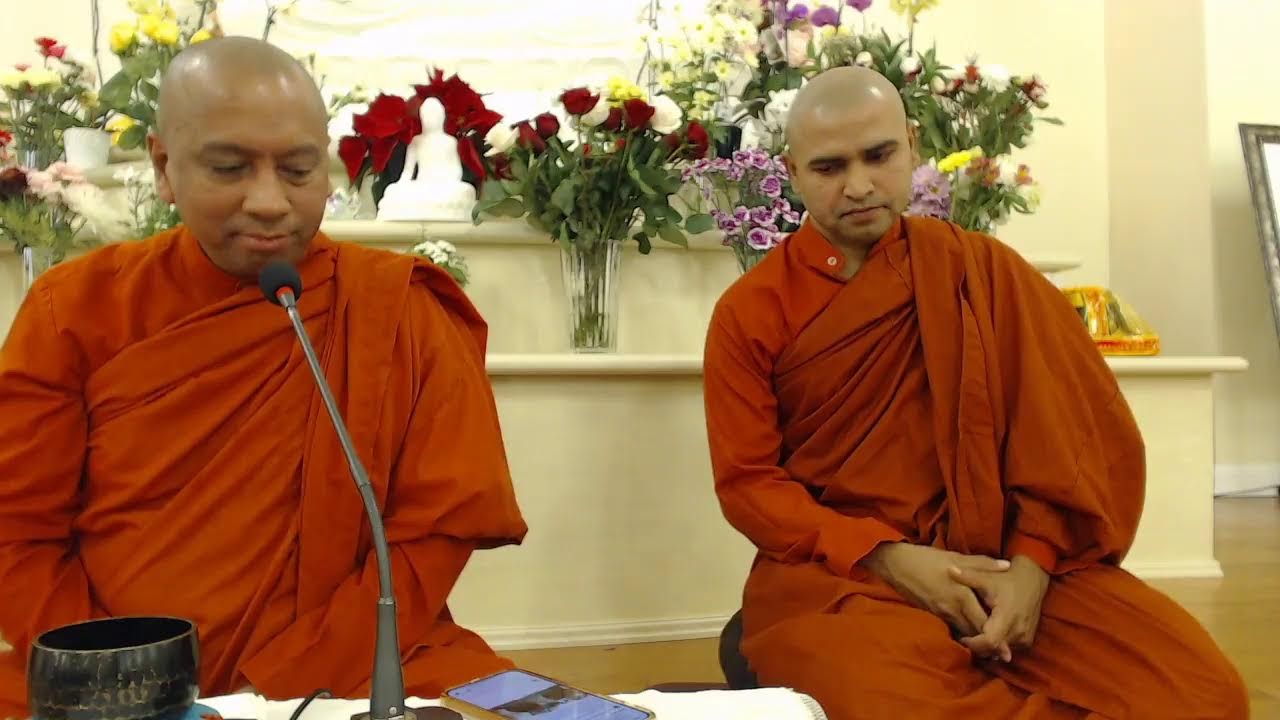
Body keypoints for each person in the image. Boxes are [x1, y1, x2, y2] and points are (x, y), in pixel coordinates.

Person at [0, 36, 527, 718]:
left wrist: (299, 675)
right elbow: (18, 532)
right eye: (229, 168)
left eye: (299, 170)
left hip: (359, 659)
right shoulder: (76, 307)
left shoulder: (397, 306)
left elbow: (439, 527)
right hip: (119, 676)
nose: (270, 201)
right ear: (164, 167)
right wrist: (118, 676)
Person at [702, 66, 1248, 719]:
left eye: (879, 155)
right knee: (891, 701)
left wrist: (1032, 569)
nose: (859, 185)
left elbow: (1064, 443)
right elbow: (750, 485)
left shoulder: (980, 272)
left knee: (1204, 694)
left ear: (912, 145)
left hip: (999, 565)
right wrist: (888, 558)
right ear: (792, 172)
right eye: (829, 167)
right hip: (843, 578)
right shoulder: (751, 312)